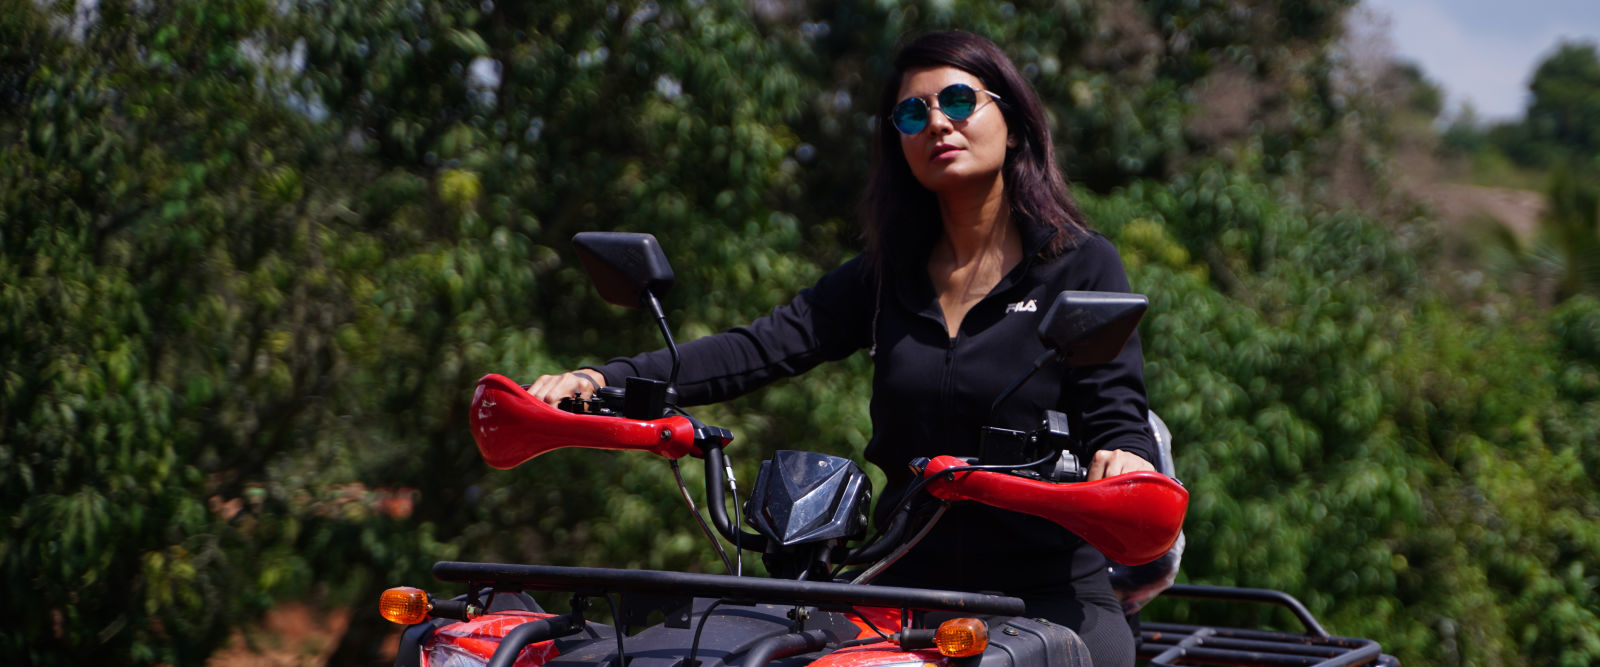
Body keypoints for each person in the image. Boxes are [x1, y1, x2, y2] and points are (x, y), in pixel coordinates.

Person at [529, 30, 1156, 667]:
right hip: (902, 597)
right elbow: (761, 346)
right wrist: (603, 380)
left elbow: (1116, 411)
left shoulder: (1078, 265)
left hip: (1047, 600)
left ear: (1015, 125)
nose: (938, 121)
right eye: (914, 112)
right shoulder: (886, 276)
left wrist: (1126, 459)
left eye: (960, 101)